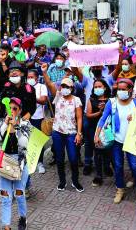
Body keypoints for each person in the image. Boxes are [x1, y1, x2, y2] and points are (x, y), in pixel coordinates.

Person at [94, 78, 136, 206]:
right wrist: (97, 135)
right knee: (118, 166)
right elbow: (103, 119)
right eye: (119, 90)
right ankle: (120, 189)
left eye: (124, 89)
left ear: (130, 90)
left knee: (135, 167)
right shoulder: (112, 103)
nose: (121, 92)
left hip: (132, 140)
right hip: (117, 140)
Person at [43, 63, 84, 192]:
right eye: (63, 86)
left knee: (72, 159)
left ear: (72, 88)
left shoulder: (76, 100)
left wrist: (79, 133)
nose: (65, 88)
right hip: (57, 133)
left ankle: (75, 181)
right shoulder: (58, 96)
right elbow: (49, 84)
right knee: (60, 159)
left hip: (71, 133)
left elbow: (79, 118)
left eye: (68, 86)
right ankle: (62, 182)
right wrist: (44, 72)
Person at [0, 97, 30, 230]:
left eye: (15, 108)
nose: (12, 111)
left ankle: (22, 218)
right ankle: (6, 225)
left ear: (20, 111)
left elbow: (24, 144)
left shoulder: (26, 124)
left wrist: (16, 128)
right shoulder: (1, 122)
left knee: (19, 194)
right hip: (4, 162)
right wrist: (5, 125)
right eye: (9, 108)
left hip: (19, 164)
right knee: (5, 196)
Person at [85, 79, 112, 186]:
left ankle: (107, 167)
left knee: (108, 149)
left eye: (99, 86)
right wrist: (100, 112)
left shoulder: (111, 100)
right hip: (94, 128)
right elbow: (88, 115)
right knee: (97, 150)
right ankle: (98, 175)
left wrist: (106, 109)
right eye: (95, 87)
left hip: (108, 129)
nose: (97, 89)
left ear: (105, 87)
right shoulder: (91, 99)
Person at [27, 69, 48, 173]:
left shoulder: (41, 87)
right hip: (26, 117)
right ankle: (30, 161)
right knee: (27, 140)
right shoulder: (25, 87)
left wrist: (31, 97)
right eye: (28, 77)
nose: (30, 79)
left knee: (38, 141)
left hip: (38, 117)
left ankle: (40, 163)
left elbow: (43, 100)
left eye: (32, 77)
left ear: (36, 77)